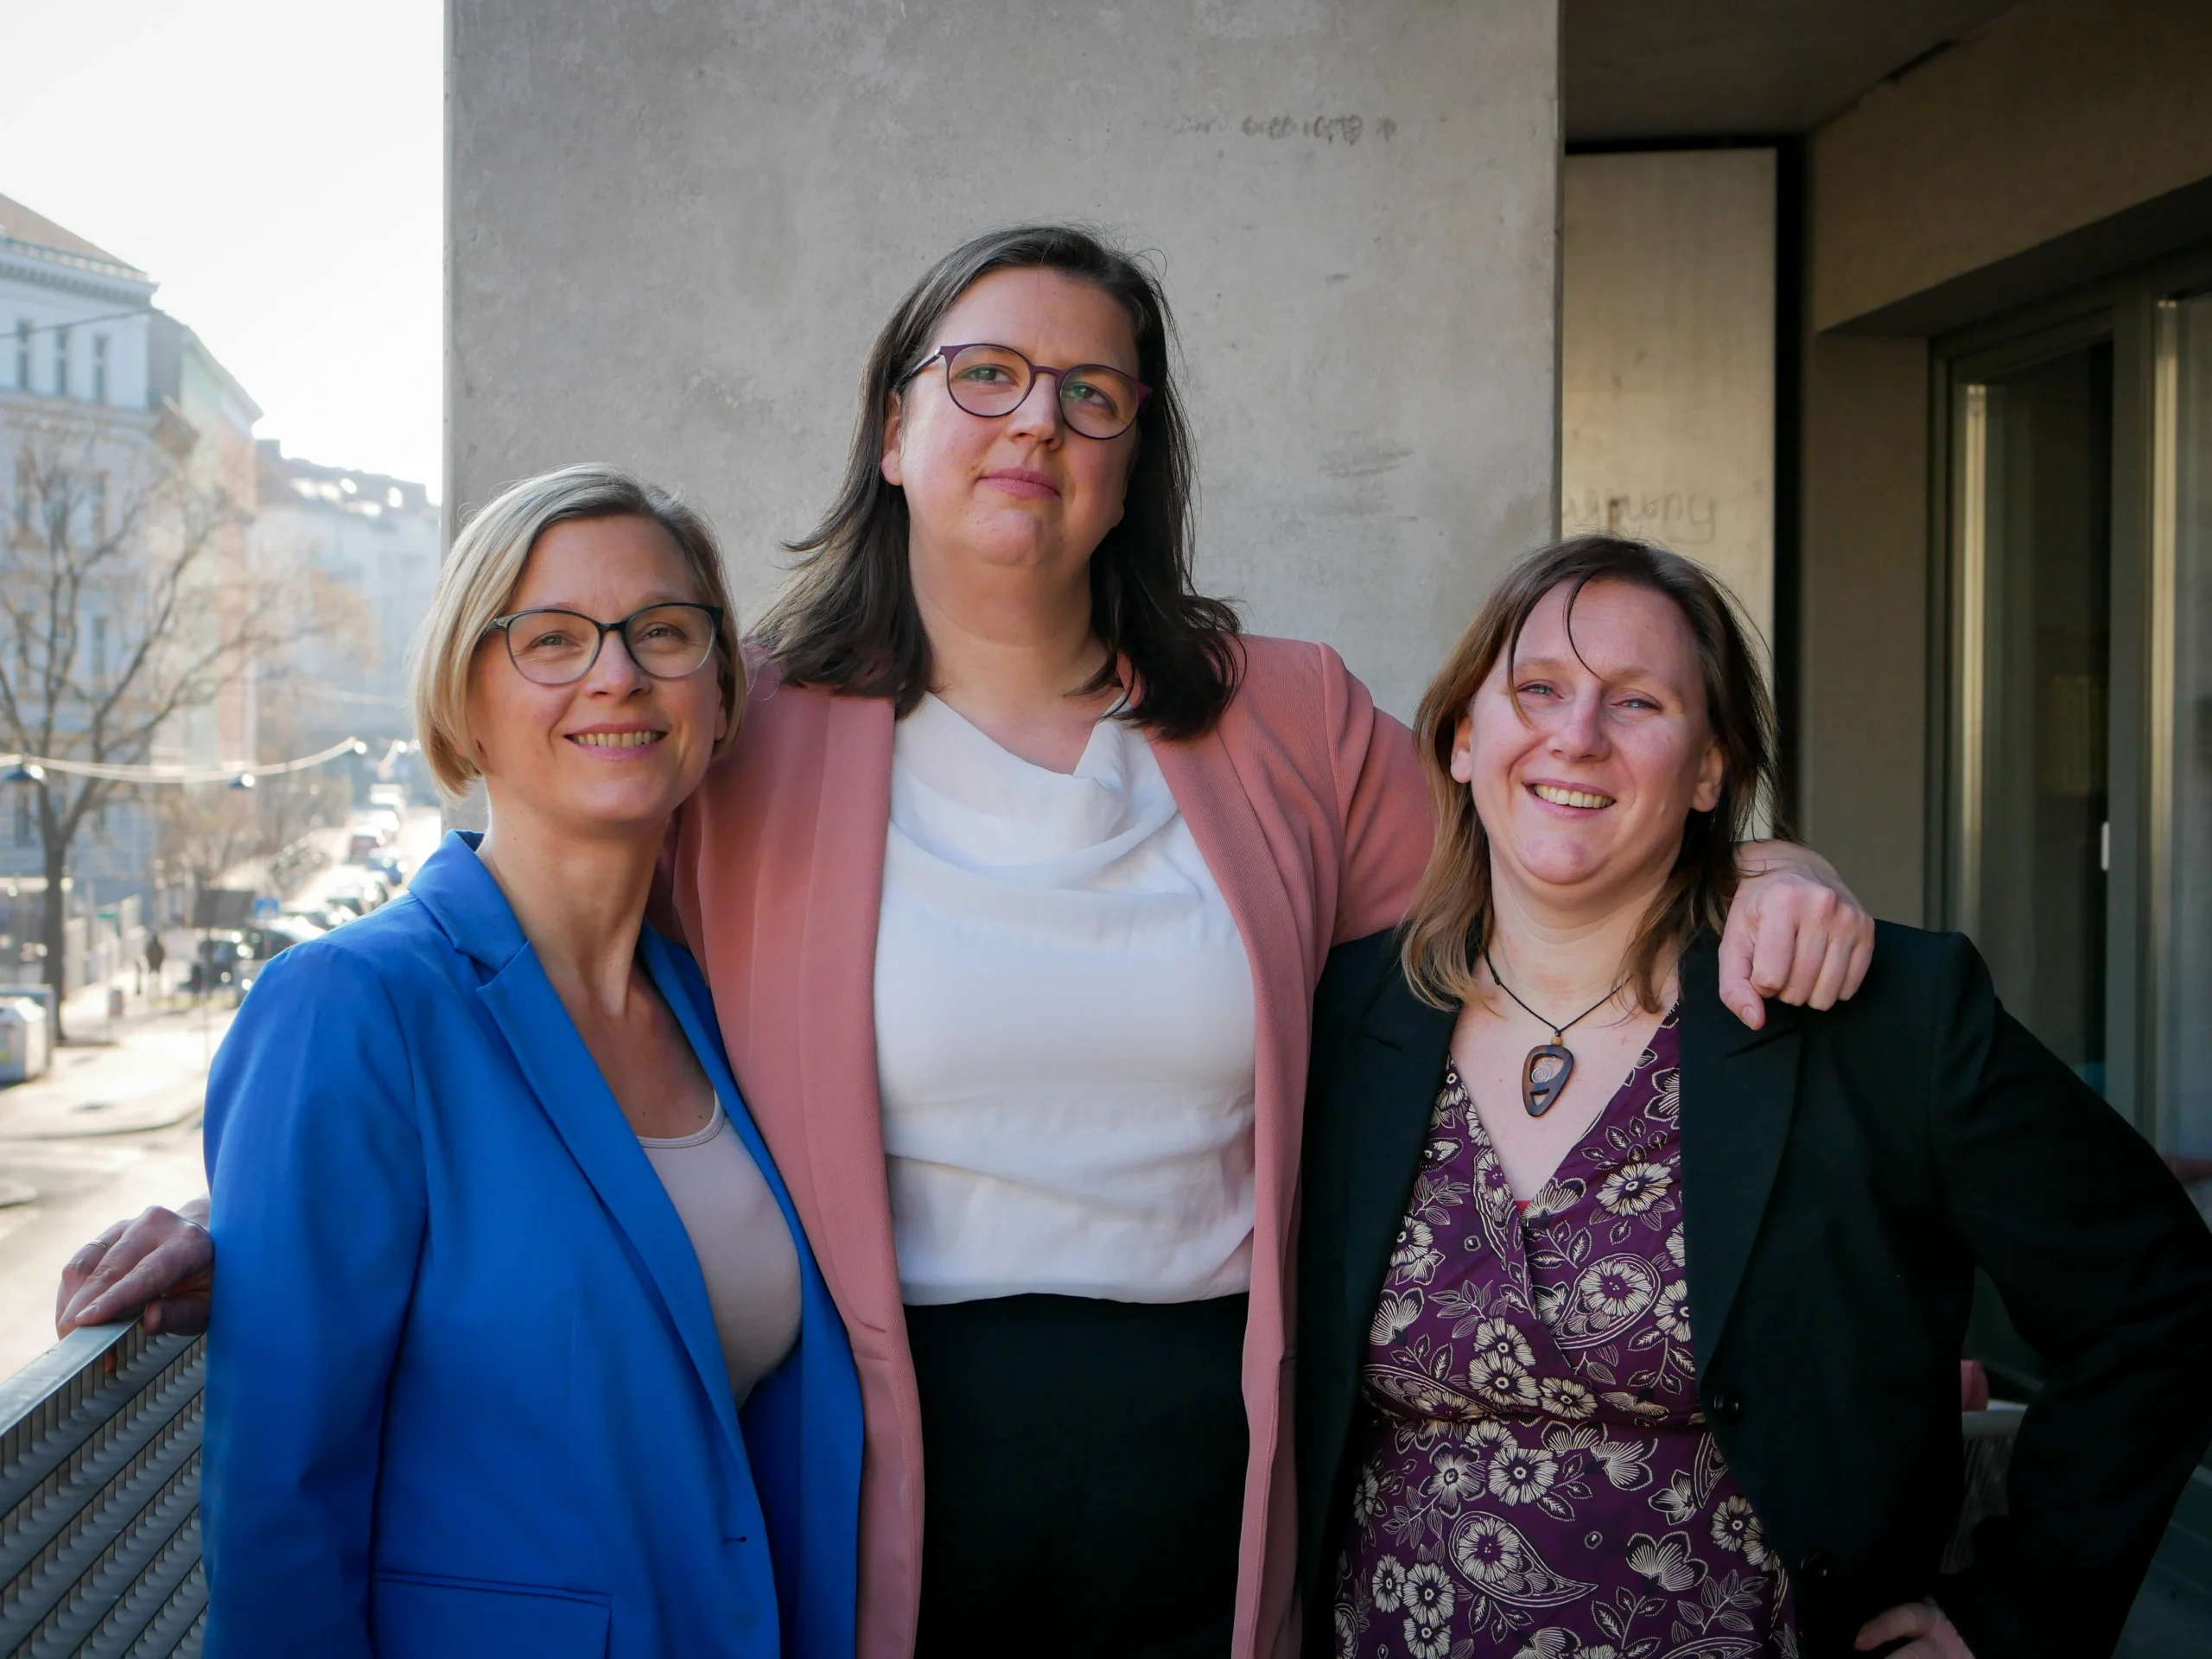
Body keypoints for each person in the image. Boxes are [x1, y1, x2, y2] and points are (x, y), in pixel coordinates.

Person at [60, 228, 1870, 1659]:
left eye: (1094, 393)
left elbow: (1549, 872)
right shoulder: (746, 733)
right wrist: (273, 1229)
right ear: (895, 426)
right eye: (986, 374)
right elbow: (519, 986)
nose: (1038, 424)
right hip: (874, 1451)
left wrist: (1761, 860)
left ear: (1135, 450)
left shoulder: (1287, 723)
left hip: (1211, 1434)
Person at [1294, 535, 2212, 1659]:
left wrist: (2015, 1617)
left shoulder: (1876, 1020)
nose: (1575, 734)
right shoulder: (1341, 1022)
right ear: (1465, 733)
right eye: (1538, 689)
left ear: (1713, 769)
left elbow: (2158, 1299)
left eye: (1638, 702)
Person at [192, 467, 861, 1658]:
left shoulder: (725, 1010)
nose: (619, 674)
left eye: (664, 632)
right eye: (551, 639)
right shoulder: (352, 1006)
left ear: (716, 693)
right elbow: (281, 1505)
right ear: (466, 700)